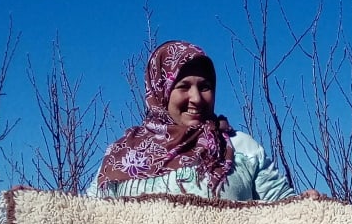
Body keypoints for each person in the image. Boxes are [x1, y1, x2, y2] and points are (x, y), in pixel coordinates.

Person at [93, 40, 295, 201]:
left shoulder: (241, 148)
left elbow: (285, 210)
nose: (196, 98)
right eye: (183, 86)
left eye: (205, 87)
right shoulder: (122, 154)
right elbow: (89, 221)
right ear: (161, 91)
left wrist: (308, 205)